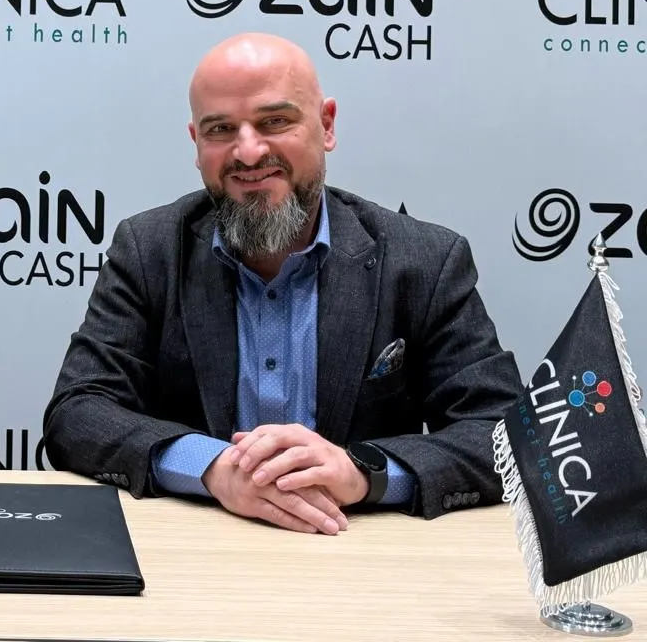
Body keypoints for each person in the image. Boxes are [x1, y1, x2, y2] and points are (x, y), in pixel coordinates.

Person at [43, 32, 522, 534]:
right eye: (221, 129)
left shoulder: (423, 260)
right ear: (196, 144)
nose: (249, 152)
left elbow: (505, 432)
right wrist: (213, 469)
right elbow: (77, 413)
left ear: (326, 125)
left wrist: (362, 473)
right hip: (193, 549)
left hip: (359, 550)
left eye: (275, 121)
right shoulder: (149, 250)